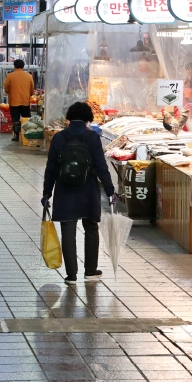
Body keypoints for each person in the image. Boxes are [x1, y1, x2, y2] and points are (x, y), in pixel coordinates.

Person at [42, 102, 116, 285]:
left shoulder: (59, 138)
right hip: (88, 190)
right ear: (87, 118)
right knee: (91, 228)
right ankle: (90, 270)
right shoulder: (92, 137)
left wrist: (46, 193)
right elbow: (101, 166)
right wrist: (110, 190)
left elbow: (51, 168)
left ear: (69, 117)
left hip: (64, 190)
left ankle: (71, 275)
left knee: (68, 231)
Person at [3, 59, 35, 142]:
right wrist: (29, 95)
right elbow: (32, 89)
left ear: (14, 66)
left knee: (15, 119)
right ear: (23, 66)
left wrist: (10, 92)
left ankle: (16, 136)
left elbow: (6, 88)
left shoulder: (10, 76)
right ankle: (28, 134)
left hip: (14, 101)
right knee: (27, 118)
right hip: (25, 101)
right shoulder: (29, 76)